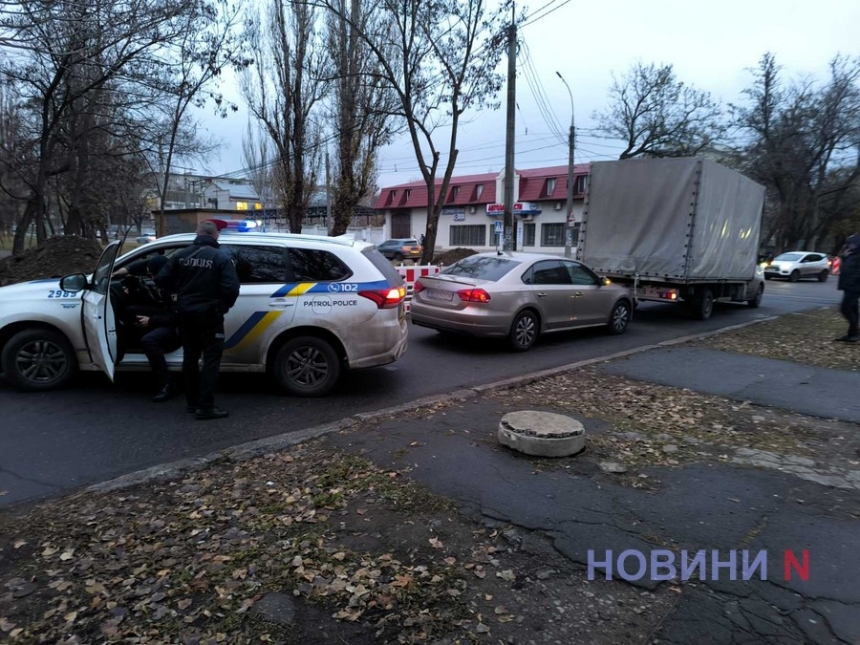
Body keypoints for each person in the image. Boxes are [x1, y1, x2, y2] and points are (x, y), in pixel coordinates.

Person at [156, 220, 240, 420]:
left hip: (185, 315)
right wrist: (222, 306)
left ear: (198, 233)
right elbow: (231, 288)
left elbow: (161, 279)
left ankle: (192, 403)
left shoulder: (181, 255)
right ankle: (206, 407)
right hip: (209, 316)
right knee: (210, 359)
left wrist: (176, 295)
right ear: (215, 236)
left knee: (190, 358)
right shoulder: (220, 257)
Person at [112, 255, 181, 401]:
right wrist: (126, 269)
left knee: (149, 340)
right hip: (165, 314)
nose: (152, 277)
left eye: (154, 274)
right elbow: (148, 263)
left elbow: (177, 317)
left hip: (178, 326)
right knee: (130, 310)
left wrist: (151, 321)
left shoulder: (177, 286)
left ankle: (167, 384)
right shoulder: (166, 272)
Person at [836, 234, 860, 343]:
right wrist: (844, 256)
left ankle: (854, 332)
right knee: (852, 307)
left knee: (845, 308)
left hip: (854, 284)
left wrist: (852, 280)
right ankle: (852, 334)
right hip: (849, 282)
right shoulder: (852, 248)